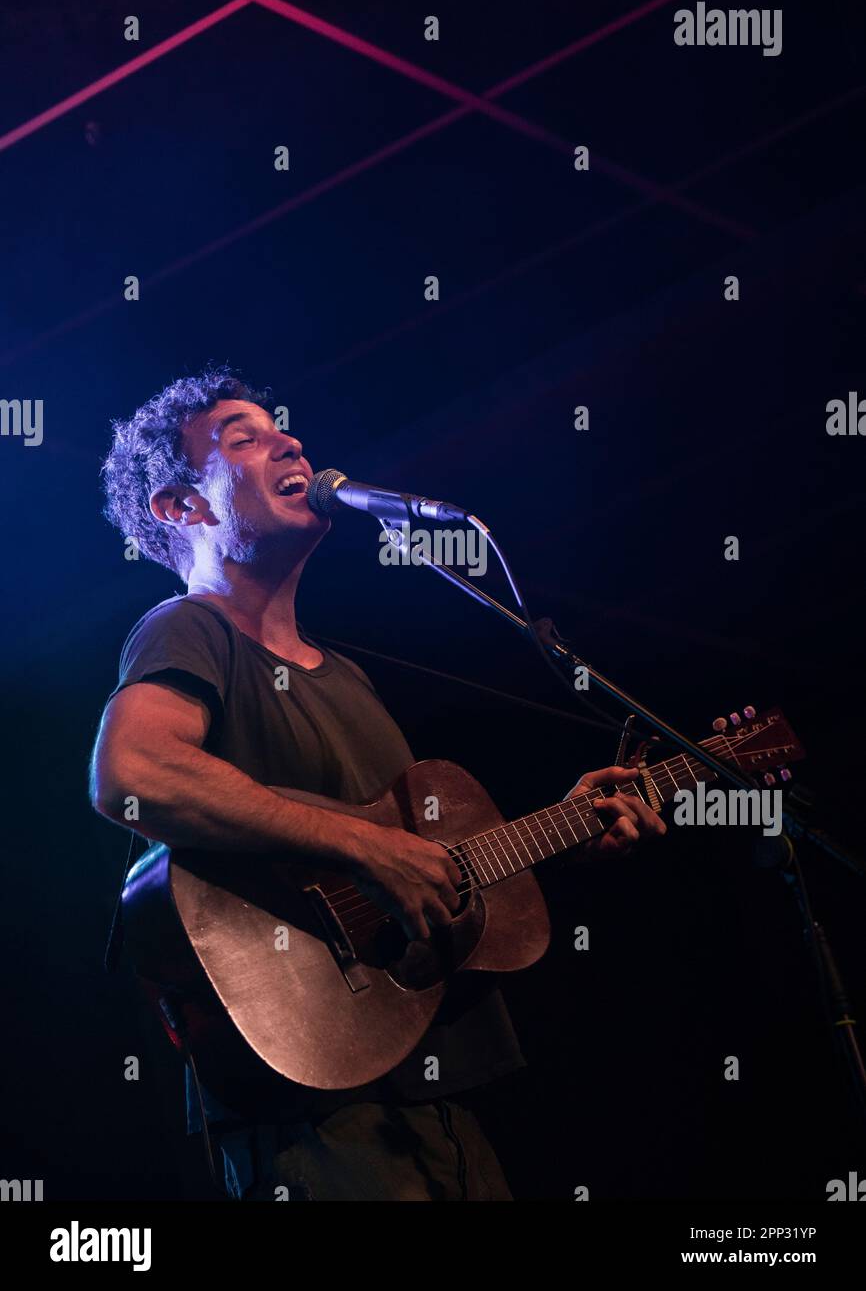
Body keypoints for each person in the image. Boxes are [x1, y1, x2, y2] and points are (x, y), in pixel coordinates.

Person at [90, 368, 666, 1201]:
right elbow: (132, 774)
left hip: (427, 1093)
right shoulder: (189, 628)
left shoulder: (349, 678)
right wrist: (365, 843)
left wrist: (571, 834)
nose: (288, 441)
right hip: (312, 1114)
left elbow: (417, 876)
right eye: (242, 440)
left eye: (283, 430)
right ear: (183, 508)